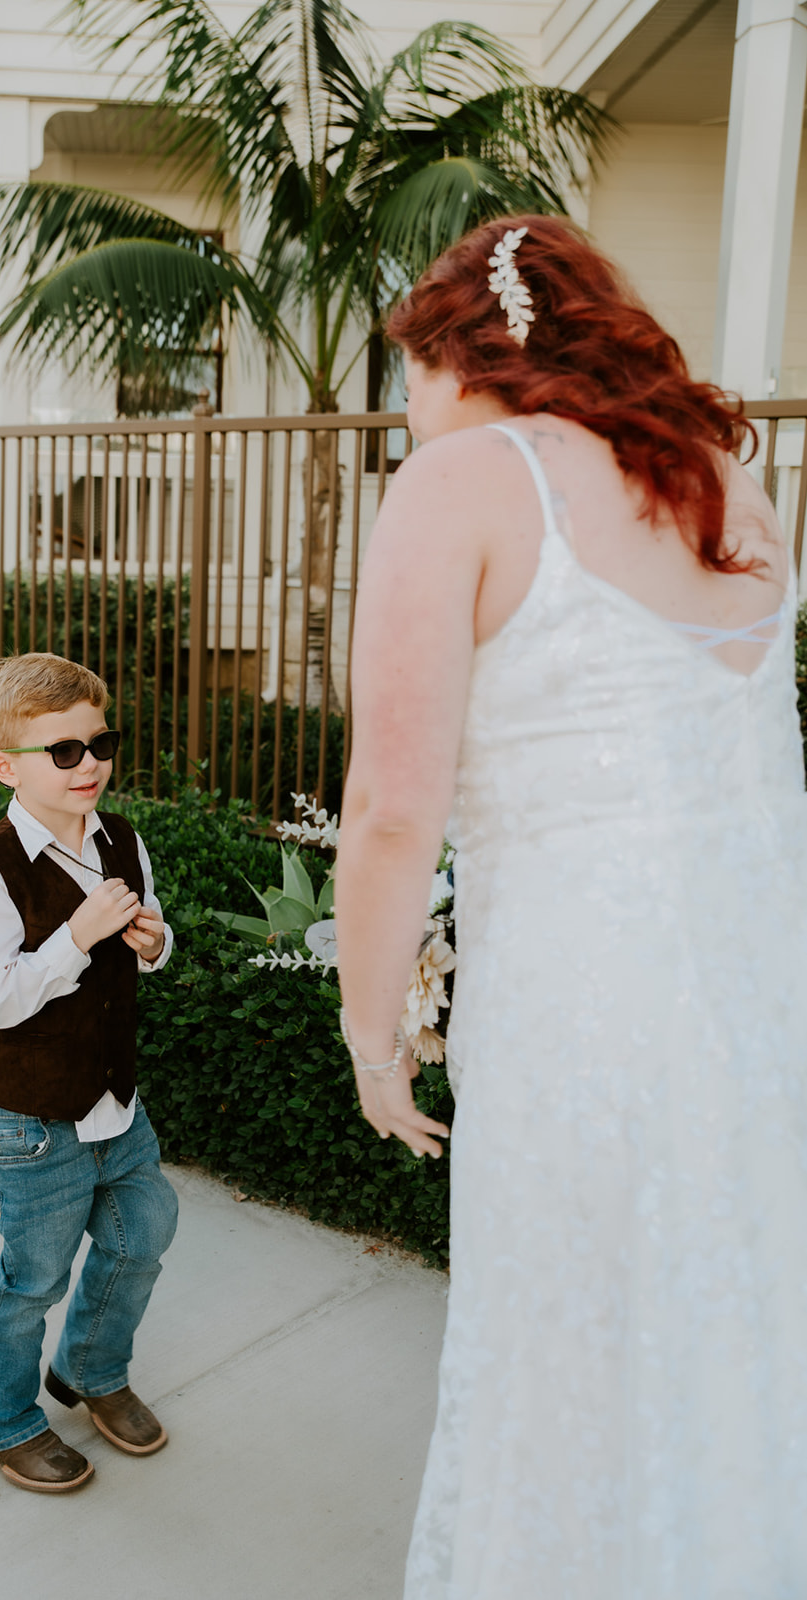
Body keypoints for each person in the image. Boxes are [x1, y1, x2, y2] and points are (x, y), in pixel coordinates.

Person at [335, 215, 807, 1596]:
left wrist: (375, 1042)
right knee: (723, 1348)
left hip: (580, 1021)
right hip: (755, 1014)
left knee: (562, 1357)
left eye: (409, 373)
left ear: (462, 353)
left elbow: (390, 812)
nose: (408, 408)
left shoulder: (463, 479)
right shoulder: (722, 479)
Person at [0, 651, 179, 1494]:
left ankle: (88, 1367)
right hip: (32, 1123)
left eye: (99, 743)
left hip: (115, 1104)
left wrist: (152, 945)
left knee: (143, 1233)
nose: (90, 765)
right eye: (64, 751)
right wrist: (75, 938)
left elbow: (148, 931)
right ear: (5, 765)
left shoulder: (122, 837)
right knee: (31, 1278)